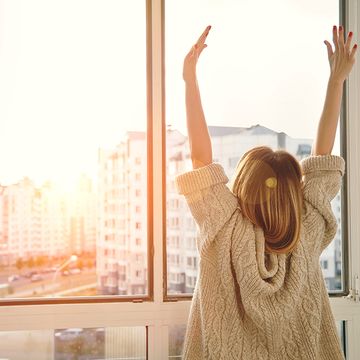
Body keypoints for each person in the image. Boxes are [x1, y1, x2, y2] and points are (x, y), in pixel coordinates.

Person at [175, 24, 357, 359]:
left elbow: (200, 158)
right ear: (293, 192)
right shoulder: (308, 230)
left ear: (241, 184)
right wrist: (336, 82)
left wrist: (190, 79)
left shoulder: (224, 227)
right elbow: (322, 159)